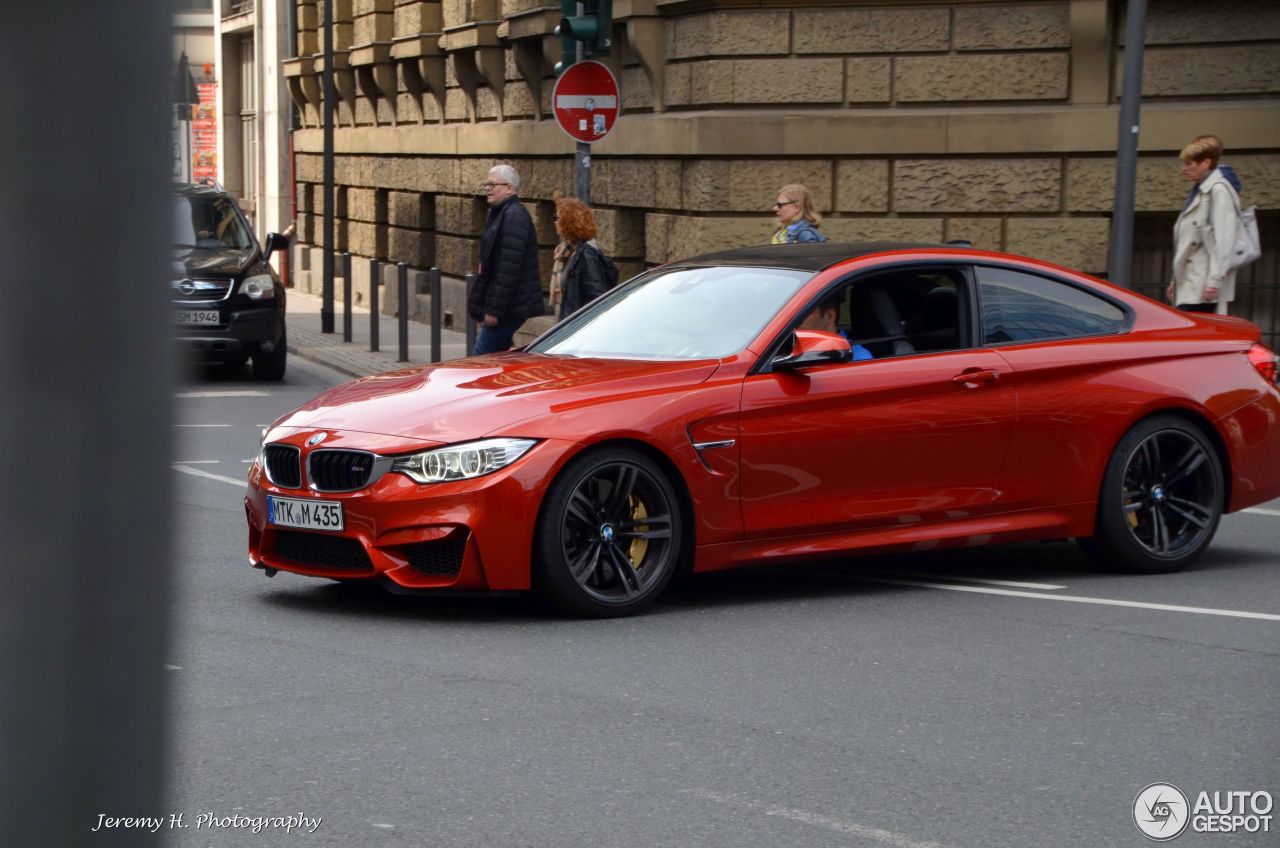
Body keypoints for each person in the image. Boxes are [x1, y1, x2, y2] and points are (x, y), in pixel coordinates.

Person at [469, 164, 545, 354]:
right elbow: (490, 266)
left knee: (480, 360)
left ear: (509, 188)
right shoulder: (499, 213)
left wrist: (494, 309)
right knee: (497, 360)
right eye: (486, 184)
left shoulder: (514, 216)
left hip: (508, 307)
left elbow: (508, 268)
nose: (487, 188)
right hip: (507, 305)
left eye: (492, 184)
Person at [1167, 135, 1244, 315]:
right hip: (1192, 282)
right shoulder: (1201, 191)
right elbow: (1186, 240)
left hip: (1202, 284)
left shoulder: (1218, 190)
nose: (1184, 170)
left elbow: (1224, 240)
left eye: (1189, 164)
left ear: (1206, 163)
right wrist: (1175, 281)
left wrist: (1214, 282)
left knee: (1195, 336)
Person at [550, 197, 611, 319]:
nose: (554, 222)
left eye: (557, 218)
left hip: (578, 324)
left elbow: (596, 295)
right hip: (567, 321)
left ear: (568, 222)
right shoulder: (565, 252)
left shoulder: (587, 254)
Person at [799, 293, 872, 361]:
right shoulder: (797, 347)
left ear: (829, 316)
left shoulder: (858, 359)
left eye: (805, 311)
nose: (795, 318)